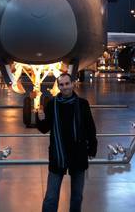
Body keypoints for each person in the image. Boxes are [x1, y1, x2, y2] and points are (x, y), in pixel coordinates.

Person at [37, 73, 98, 212]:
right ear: (58, 86)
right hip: (58, 155)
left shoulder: (82, 104)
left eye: (67, 84)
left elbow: (90, 127)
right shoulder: (52, 104)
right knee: (51, 197)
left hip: (78, 154)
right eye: (61, 85)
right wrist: (40, 119)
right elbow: (44, 129)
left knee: (77, 196)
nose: (65, 87)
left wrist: (92, 148)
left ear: (72, 84)